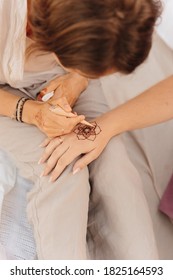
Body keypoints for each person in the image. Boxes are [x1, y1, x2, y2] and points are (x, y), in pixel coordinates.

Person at [0, 0, 161, 259]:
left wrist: (78, 79)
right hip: (6, 100)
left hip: (60, 77)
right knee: (59, 169)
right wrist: (30, 112)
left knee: (114, 166)